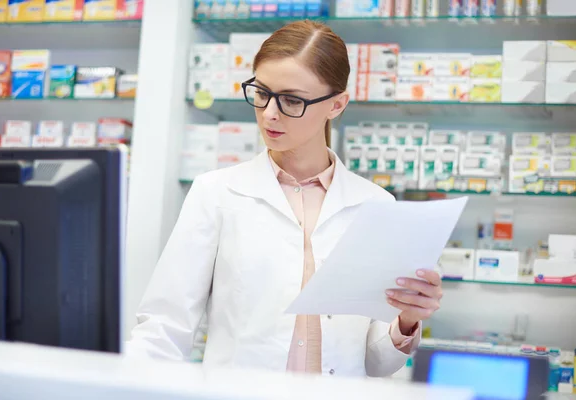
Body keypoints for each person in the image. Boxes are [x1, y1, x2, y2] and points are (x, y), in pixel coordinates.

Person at [126, 20, 443, 378]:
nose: (270, 114)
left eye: (292, 100)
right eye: (261, 93)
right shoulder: (215, 193)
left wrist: (407, 318)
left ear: (337, 105)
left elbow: (375, 362)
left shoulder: (376, 206)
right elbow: (164, 330)